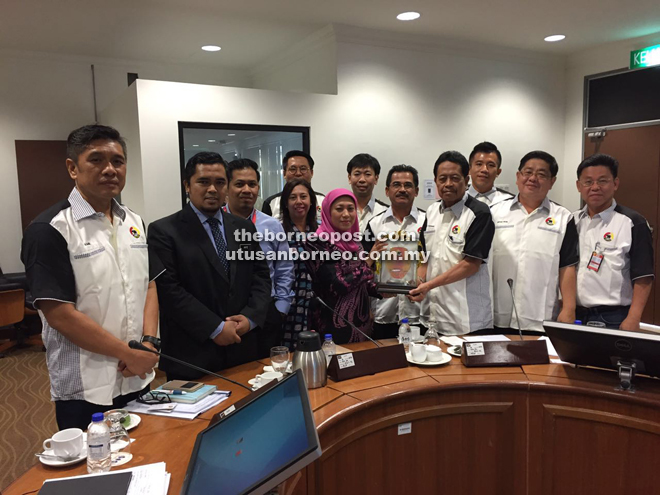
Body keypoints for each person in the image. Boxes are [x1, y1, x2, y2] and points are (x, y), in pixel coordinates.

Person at [21, 124, 161, 430]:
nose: (110, 169)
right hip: (86, 387)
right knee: (94, 470)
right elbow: (60, 314)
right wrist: (127, 353)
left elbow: (148, 283)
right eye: (96, 160)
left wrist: (148, 343)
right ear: (72, 168)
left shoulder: (134, 221)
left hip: (137, 374)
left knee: (147, 457)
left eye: (118, 161)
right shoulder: (50, 229)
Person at [148, 152, 272, 380]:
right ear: (187, 185)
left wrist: (250, 318)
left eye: (220, 182)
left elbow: (260, 276)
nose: (213, 189)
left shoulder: (241, 227)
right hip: (194, 352)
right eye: (204, 182)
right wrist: (215, 328)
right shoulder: (164, 231)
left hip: (243, 346)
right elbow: (169, 290)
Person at [490, 151, 578, 332]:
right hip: (496, 314)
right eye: (528, 172)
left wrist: (569, 308)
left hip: (539, 317)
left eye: (541, 174)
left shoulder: (563, 218)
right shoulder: (493, 213)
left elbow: (567, 266)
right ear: (518, 176)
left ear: (552, 181)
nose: (532, 178)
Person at [409, 151, 494, 335]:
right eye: (443, 178)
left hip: (466, 320)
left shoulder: (479, 213)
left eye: (455, 178)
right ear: (435, 181)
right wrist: (420, 282)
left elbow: (470, 265)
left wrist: (429, 285)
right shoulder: (431, 211)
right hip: (432, 317)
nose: (448, 184)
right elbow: (424, 257)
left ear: (466, 179)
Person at [574, 153, 654, 330]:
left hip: (614, 317)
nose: (595, 187)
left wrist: (634, 317)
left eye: (602, 181)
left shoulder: (633, 222)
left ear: (615, 184)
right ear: (579, 186)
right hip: (575, 314)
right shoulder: (572, 221)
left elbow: (644, 276)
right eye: (588, 182)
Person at [224, 158, 294, 353]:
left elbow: (284, 269)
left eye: (252, 184)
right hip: (226, 316)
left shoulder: (271, 225)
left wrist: (281, 308)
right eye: (239, 184)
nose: (247, 189)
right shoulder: (215, 224)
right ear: (227, 187)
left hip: (266, 313)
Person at [304, 189, 380, 344]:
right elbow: (337, 285)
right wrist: (369, 261)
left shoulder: (355, 243)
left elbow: (361, 283)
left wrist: (383, 290)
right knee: (334, 367)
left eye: (351, 209)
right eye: (339, 209)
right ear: (327, 212)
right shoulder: (315, 243)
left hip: (361, 324)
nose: (346, 214)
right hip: (331, 327)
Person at [365, 165, 426, 339]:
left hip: (418, 311)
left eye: (408, 185)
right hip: (383, 311)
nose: (402, 189)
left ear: (416, 191)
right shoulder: (374, 224)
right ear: (387, 190)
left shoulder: (428, 222)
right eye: (396, 185)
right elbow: (364, 268)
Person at [279, 179, 318, 348]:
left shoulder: (321, 231)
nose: (299, 202)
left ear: (311, 202)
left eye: (303, 196)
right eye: (293, 197)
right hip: (290, 307)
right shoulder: (278, 231)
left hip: (317, 306)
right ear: (286, 203)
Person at [262, 150, 325, 221]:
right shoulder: (272, 203)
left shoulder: (323, 201)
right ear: (284, 173)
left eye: (303, 169)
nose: (298, 173)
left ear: (311, 173)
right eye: (293, 169)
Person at [347, 153, 388, 231]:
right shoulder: (339, 210)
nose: (362, 179)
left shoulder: (386, 212)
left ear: (376, 179)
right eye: (357, 174)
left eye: (367, 174)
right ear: (349, 178)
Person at [467, 141, 514, 206]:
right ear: (469, 169)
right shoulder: (456, 199)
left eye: (491, 165)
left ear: (498, 172)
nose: (484, 169)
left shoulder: (509, 202)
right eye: (479, 164)